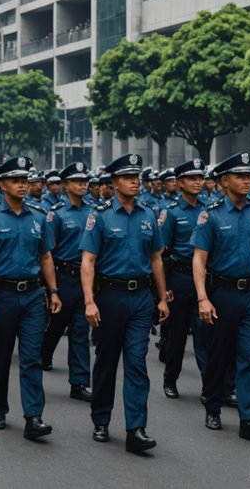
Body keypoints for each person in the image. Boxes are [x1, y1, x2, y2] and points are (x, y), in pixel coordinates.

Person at [80, 153, 169, 453]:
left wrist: (162, 297)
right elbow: (88, 261)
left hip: (141, 298)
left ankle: (136, 429)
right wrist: (90, 301)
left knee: (137, 362)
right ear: (114, 181)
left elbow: (156, 259)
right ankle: (101, 419)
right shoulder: (100, 216)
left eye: (138, 176)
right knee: (106, 361)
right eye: (129, 177)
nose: (135, 181)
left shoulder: (148, 215)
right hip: (110, 297)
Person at [0, 156, 61, 439]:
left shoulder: (38, 216)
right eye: (16, 181)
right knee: (0, 355)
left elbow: (46, 256)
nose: (23, 185)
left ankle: (33, 416)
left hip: (33, 295)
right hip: (3, 295)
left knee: (32, 356)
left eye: (25, 180)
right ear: (1, 184)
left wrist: (53, 291)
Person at [192, 153, 250, 439]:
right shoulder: (210, 214)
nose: (247, 181)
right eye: (240, 176)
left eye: (249, 176)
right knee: (219, 355)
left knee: (249, 357)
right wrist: (203, 298)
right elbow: (199, 259)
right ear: (224, 181)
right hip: (221, 293)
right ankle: (213, 406)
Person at [40, 162, 94, 403]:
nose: (83, 185)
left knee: (80, 330)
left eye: (85, 181)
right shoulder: (57, 214)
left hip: (86, 277)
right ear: (66, 185)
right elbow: (47, 253)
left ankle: (79, 381)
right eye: (77, 181)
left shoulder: (93, 212)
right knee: (57, 324)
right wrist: (50, 287)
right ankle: (44, 353)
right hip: (63, 277)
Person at [157, 159, 206, 399]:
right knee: (176, 335)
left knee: (205, 334)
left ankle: (211, 385)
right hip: (180, 277)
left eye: (200, 178)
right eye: (192, 178)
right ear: (180, 183)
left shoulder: (208, 209)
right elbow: (161, 254)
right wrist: (164, 289)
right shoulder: (172, 213)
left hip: (205, 279)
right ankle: (170, 379)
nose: (197, 182)